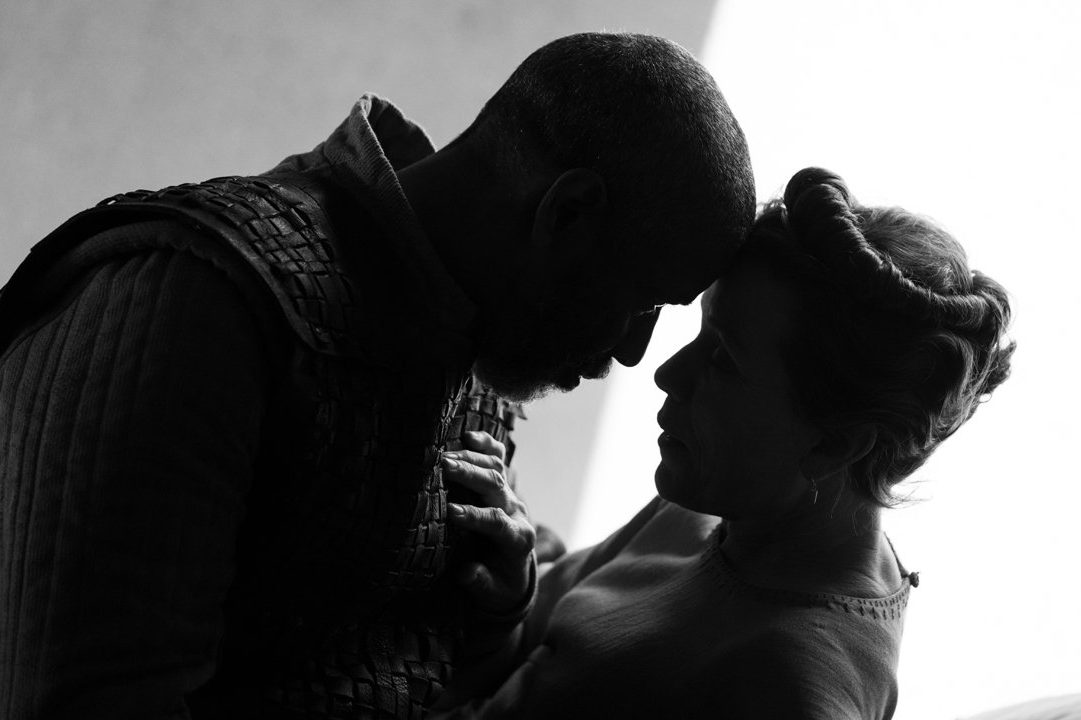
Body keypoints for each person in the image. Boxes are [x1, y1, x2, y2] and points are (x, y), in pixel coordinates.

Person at [0, 33, 755, 719]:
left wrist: (508, 597)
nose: (633, 354)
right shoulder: (197, 303)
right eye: (645, 304)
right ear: (566, 214)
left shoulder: (462, 346)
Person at [433, 167, 1015, 719]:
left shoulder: (789, 690)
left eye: (725, 360)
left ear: (836, 445)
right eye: (702, 331)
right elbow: (540, 652)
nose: (668, 375)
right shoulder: (723, 500)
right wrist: (510, 588)